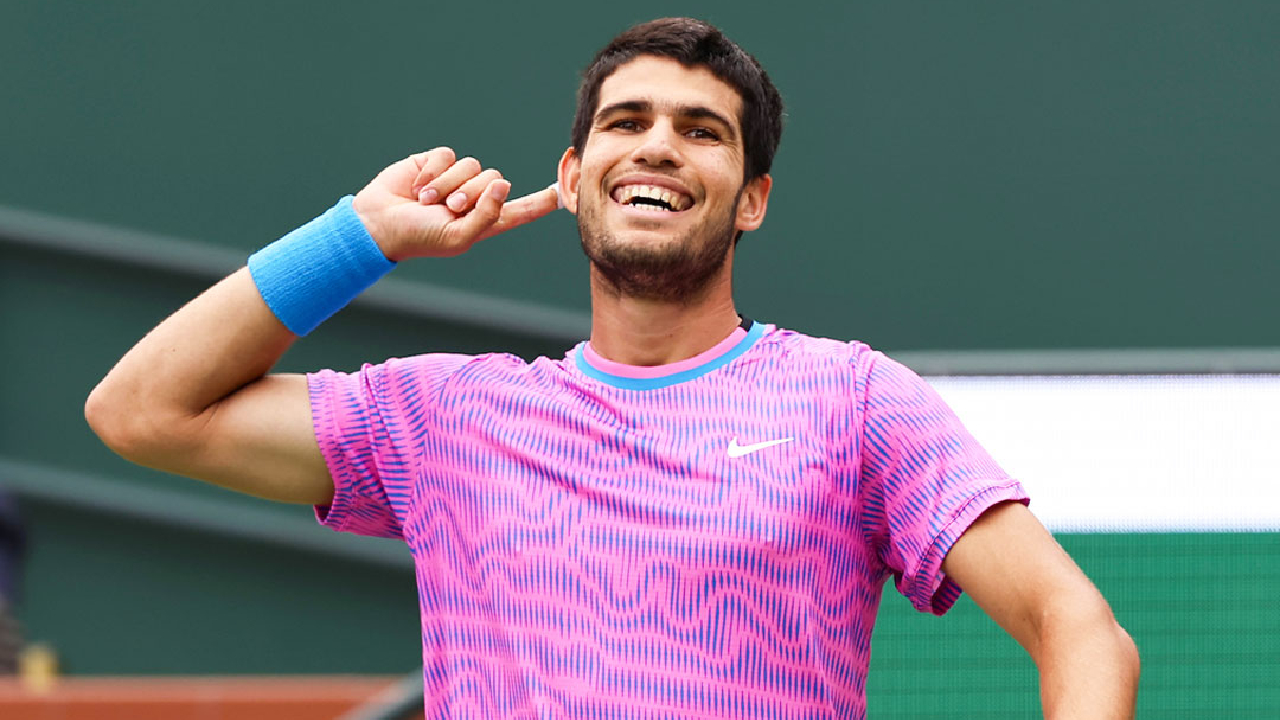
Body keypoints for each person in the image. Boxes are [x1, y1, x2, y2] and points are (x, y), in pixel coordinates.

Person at [85, 17, 1139, 719]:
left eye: (701, 131)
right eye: (625, 123)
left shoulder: (851, 398)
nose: (656, 147)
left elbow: (1079, 630)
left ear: (752, 195)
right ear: (574, 175)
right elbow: (142, 411)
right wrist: (361, 236)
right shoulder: (445, 416)